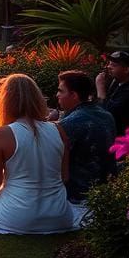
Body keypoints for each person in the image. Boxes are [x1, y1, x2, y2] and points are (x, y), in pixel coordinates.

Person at [0, 74, 76, 233]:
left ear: (5, 101)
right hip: (60, 216)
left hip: (18, 218)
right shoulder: (58, 130)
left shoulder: (2, 134)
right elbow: (64, 177)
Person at [52, 70, 117, 201]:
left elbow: (52, 160)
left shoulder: (70, 124)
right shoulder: (105, 114)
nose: (57, 95)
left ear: (74, 95)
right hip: (109, 189)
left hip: (80, 196)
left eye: (61, 91)